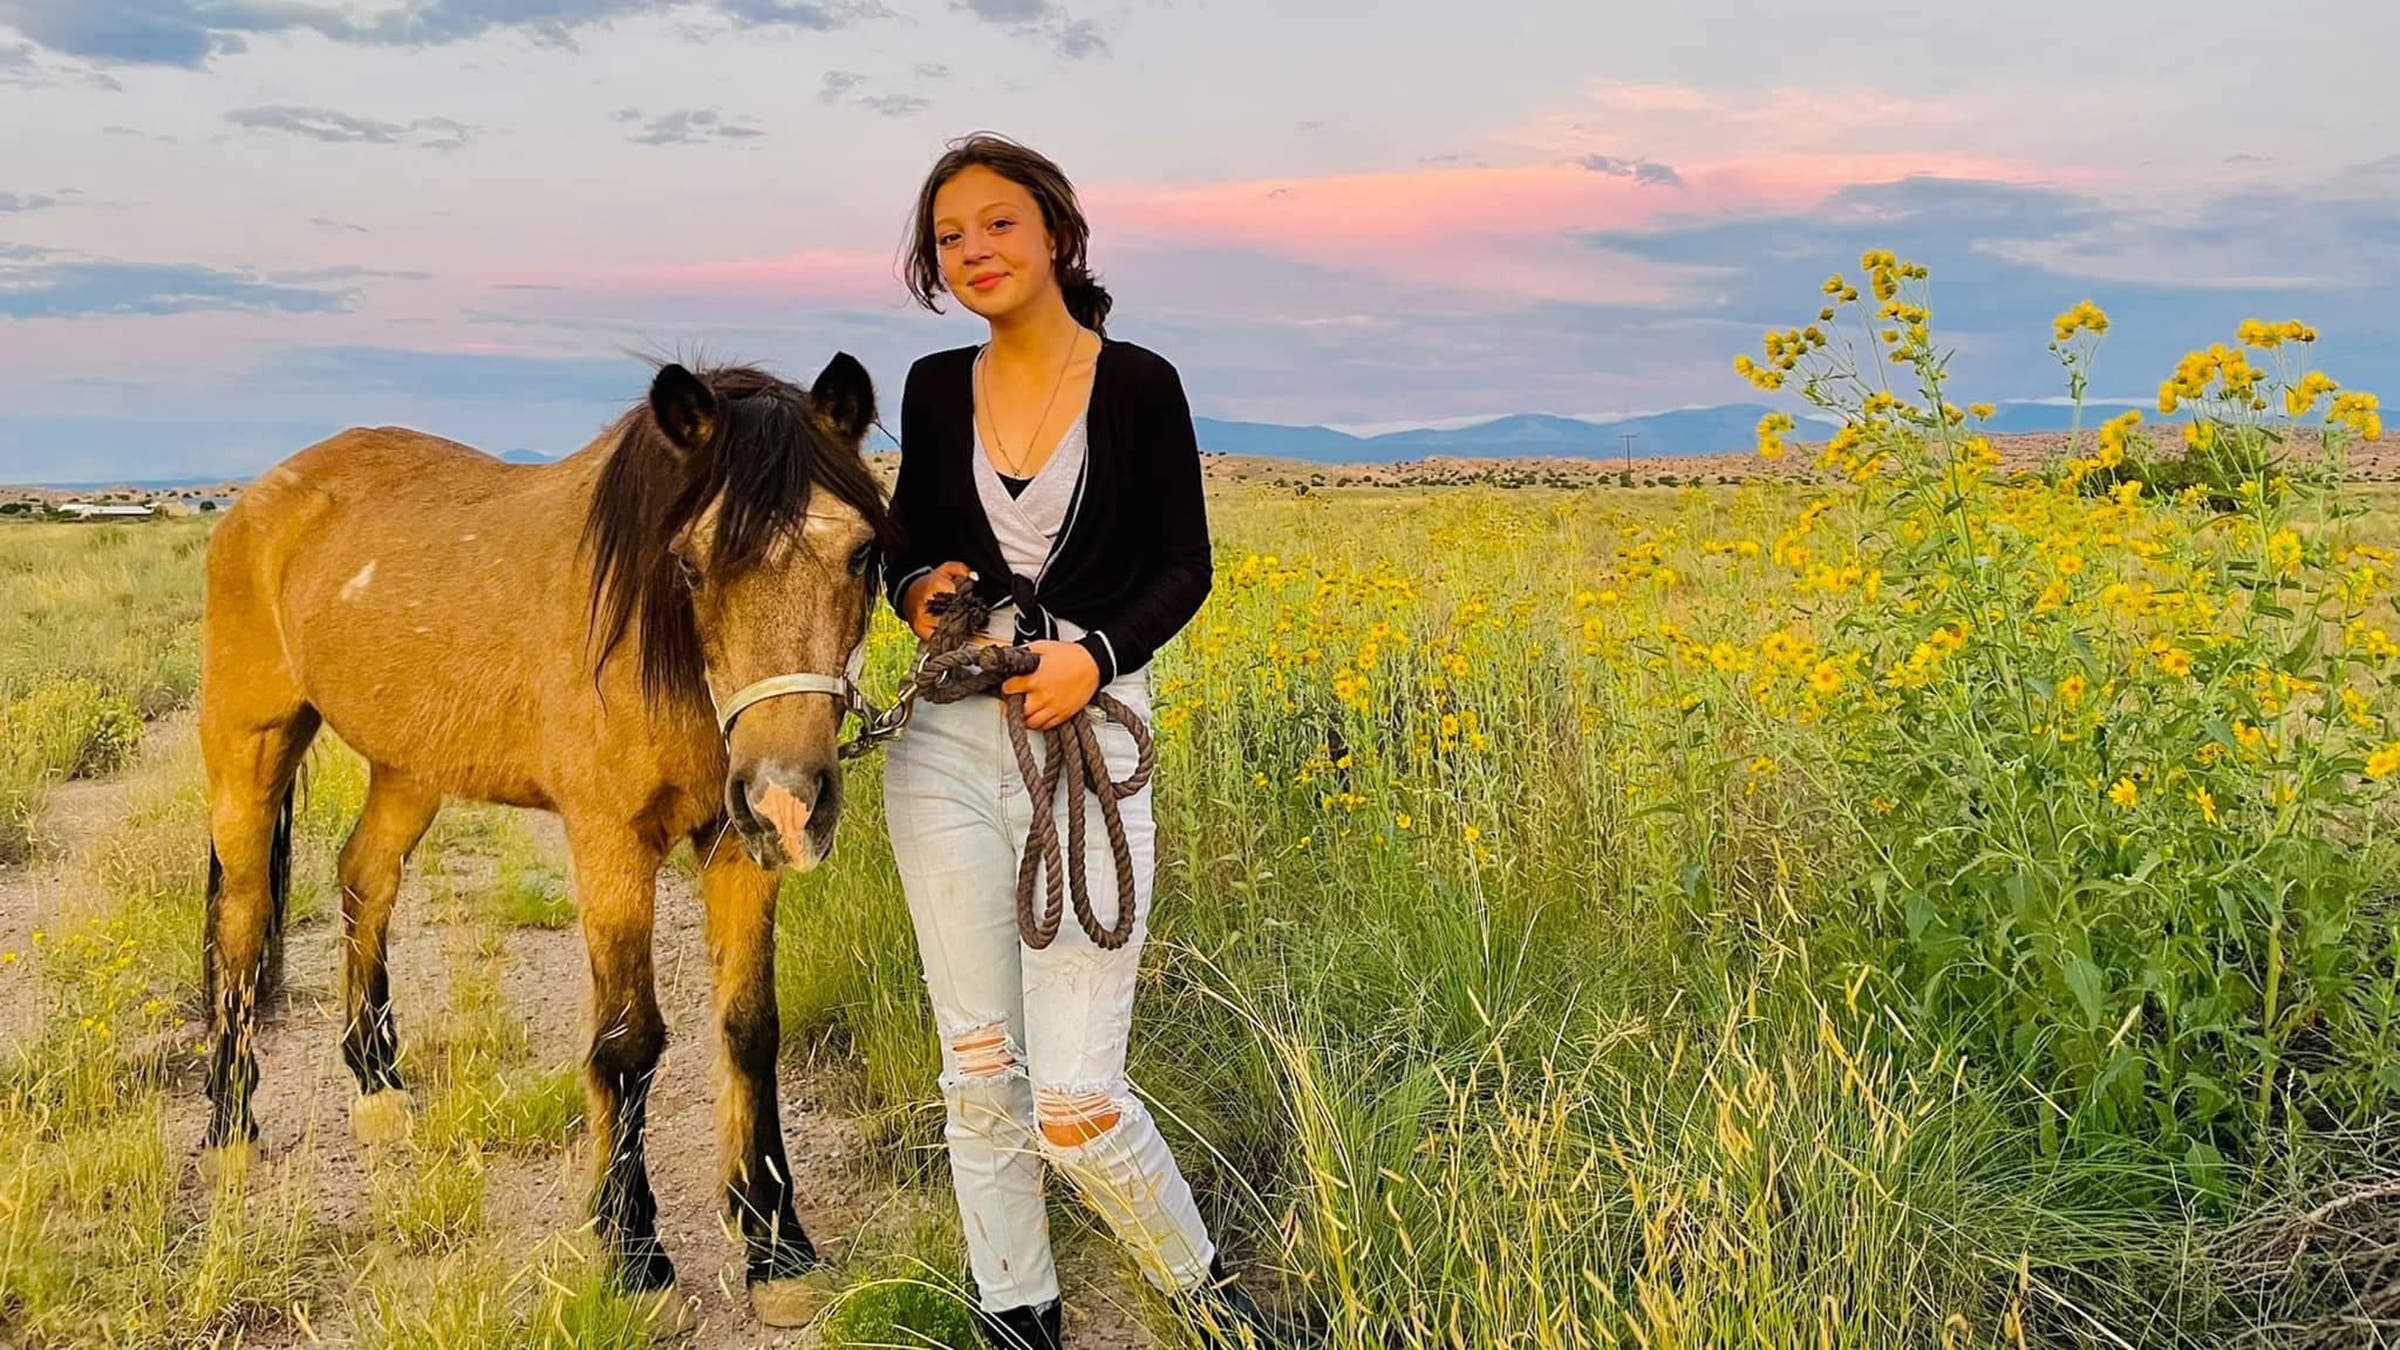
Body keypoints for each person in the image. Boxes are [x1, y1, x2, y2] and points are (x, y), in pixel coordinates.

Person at [881, 132, 1285, 1349]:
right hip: (946, 751)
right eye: (949, 236)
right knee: (977, 1067)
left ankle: (1215, 1312)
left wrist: (1094, 657)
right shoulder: (932, 388)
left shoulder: (1141, 384)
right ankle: (1017, 1312)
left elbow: (1185, 566)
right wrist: (919, 591)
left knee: (1073, 1102)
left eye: (997, 223)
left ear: (1058, 235)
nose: (974, 250)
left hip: (1091, 749)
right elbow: (905, 552)